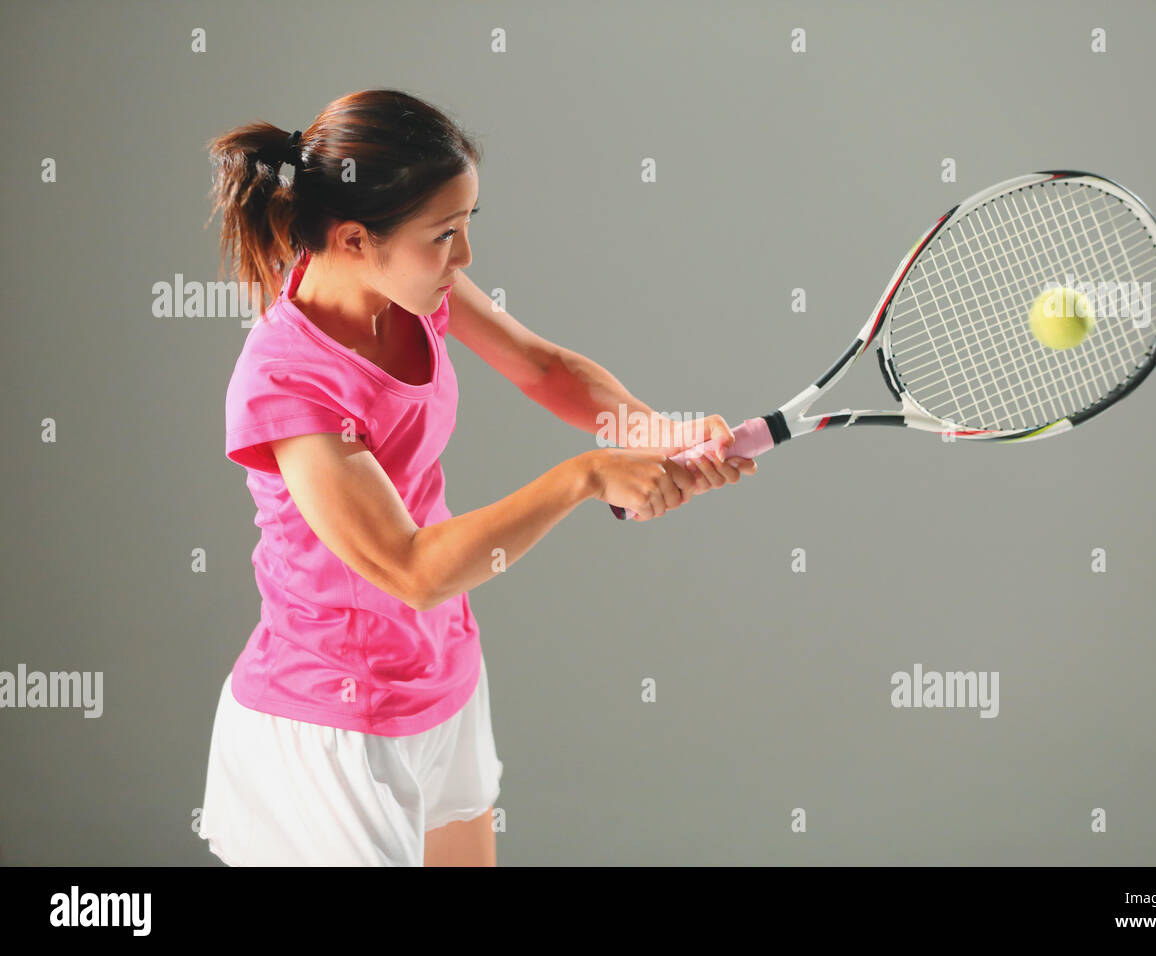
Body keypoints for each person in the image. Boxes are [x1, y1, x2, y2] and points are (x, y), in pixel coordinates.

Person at [197, 89, 756, 866]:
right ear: (355, 238)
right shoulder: (287, 381)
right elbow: (412, 570)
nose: (463, 256)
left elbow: (541, 367)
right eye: (444, 235)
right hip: (333, 720)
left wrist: (656, 432)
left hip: (442, 670)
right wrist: (587, 476)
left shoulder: (410, 284)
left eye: (465, 226)